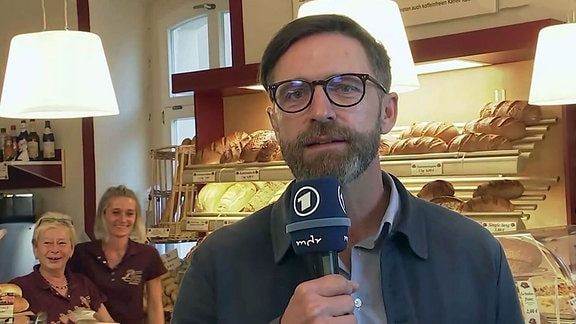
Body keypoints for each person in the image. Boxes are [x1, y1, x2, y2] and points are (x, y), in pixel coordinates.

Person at [171, 14, 524, 324]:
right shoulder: (218, 265)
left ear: (387, 111)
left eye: (345, 87)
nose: (320, 111)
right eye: (294, 93)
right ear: (275, 122)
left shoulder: (474, 254)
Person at [68, 185, 167, 324]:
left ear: (136, 217)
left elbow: (155, 306)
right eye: (116, 212)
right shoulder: (82, 254)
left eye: (129, 213)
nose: (123, 219)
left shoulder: (148, 255)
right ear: (104, 214)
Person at [10, 212, 114, 323]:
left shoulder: (84, 283)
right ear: (35, 249)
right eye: (47, 243)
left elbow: (109, 322)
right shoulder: (18, 288)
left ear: (72, 249)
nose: (55, 249)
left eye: (62, 243)